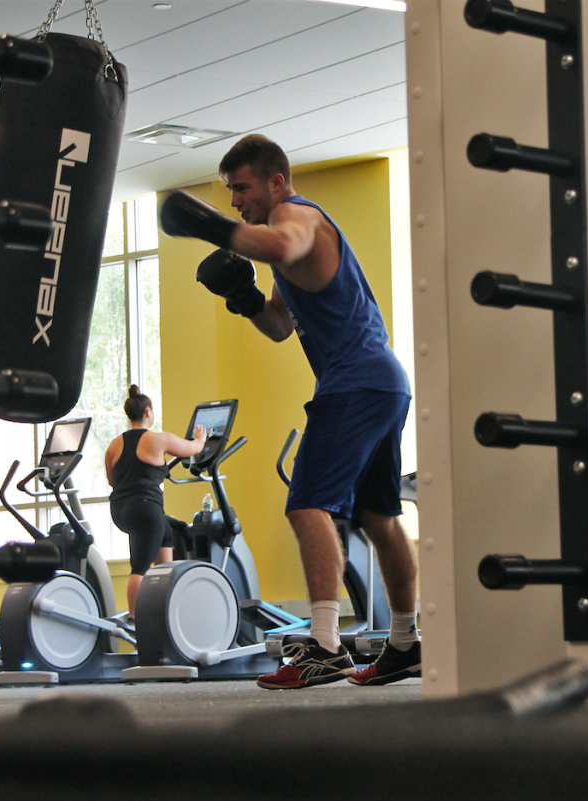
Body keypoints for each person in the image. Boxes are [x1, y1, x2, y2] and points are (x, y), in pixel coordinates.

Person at [160, 134, 420, 690]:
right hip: (381, 381)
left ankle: (325, 646)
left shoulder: (296, 215)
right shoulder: (289, 244)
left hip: (354, 381)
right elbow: (280, 327)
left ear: (276, 181)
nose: (234, 201)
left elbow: (279, 244)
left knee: (307, 506)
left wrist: (208, 225)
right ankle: (406, 644)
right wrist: (246, 299)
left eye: (240, 188)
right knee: (378, 517)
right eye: (229, 193)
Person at [106, 385, 207, 619]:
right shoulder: (158, 440)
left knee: (168, 532)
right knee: (140, 567)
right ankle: (134, 618)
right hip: (145, 508)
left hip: (120, 510)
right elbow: (193, 449)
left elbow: (113, 480)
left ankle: (163, 606)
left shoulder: (114, 445)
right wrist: (201, 438)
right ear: (149, 412)